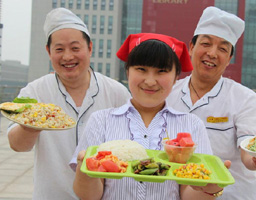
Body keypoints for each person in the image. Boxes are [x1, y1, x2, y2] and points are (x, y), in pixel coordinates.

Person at [71, 33, 225, 199]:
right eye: (141, 69)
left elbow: (190, 195)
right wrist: (84, 169)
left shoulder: (191, 124)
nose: (150, 81)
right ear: (127, 72)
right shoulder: (101, 121)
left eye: (161, 71)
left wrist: (211, 188)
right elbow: (89, 196)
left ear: (176, 77)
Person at [167, 6, 256, 200]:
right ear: (191, 47)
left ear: (229, 59)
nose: (212, 53)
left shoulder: (243, 98)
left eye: (222, 48)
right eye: (206, 43)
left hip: (234, 195)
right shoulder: (169, 93)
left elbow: (248, 150)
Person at [6, 8, 131, 200]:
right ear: (48, 51)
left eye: (75, 48)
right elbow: (17, 145)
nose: (67, 57)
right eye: (59, 49)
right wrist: (31, 125)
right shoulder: (35, 92)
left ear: (89, 48)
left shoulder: (116, 92)